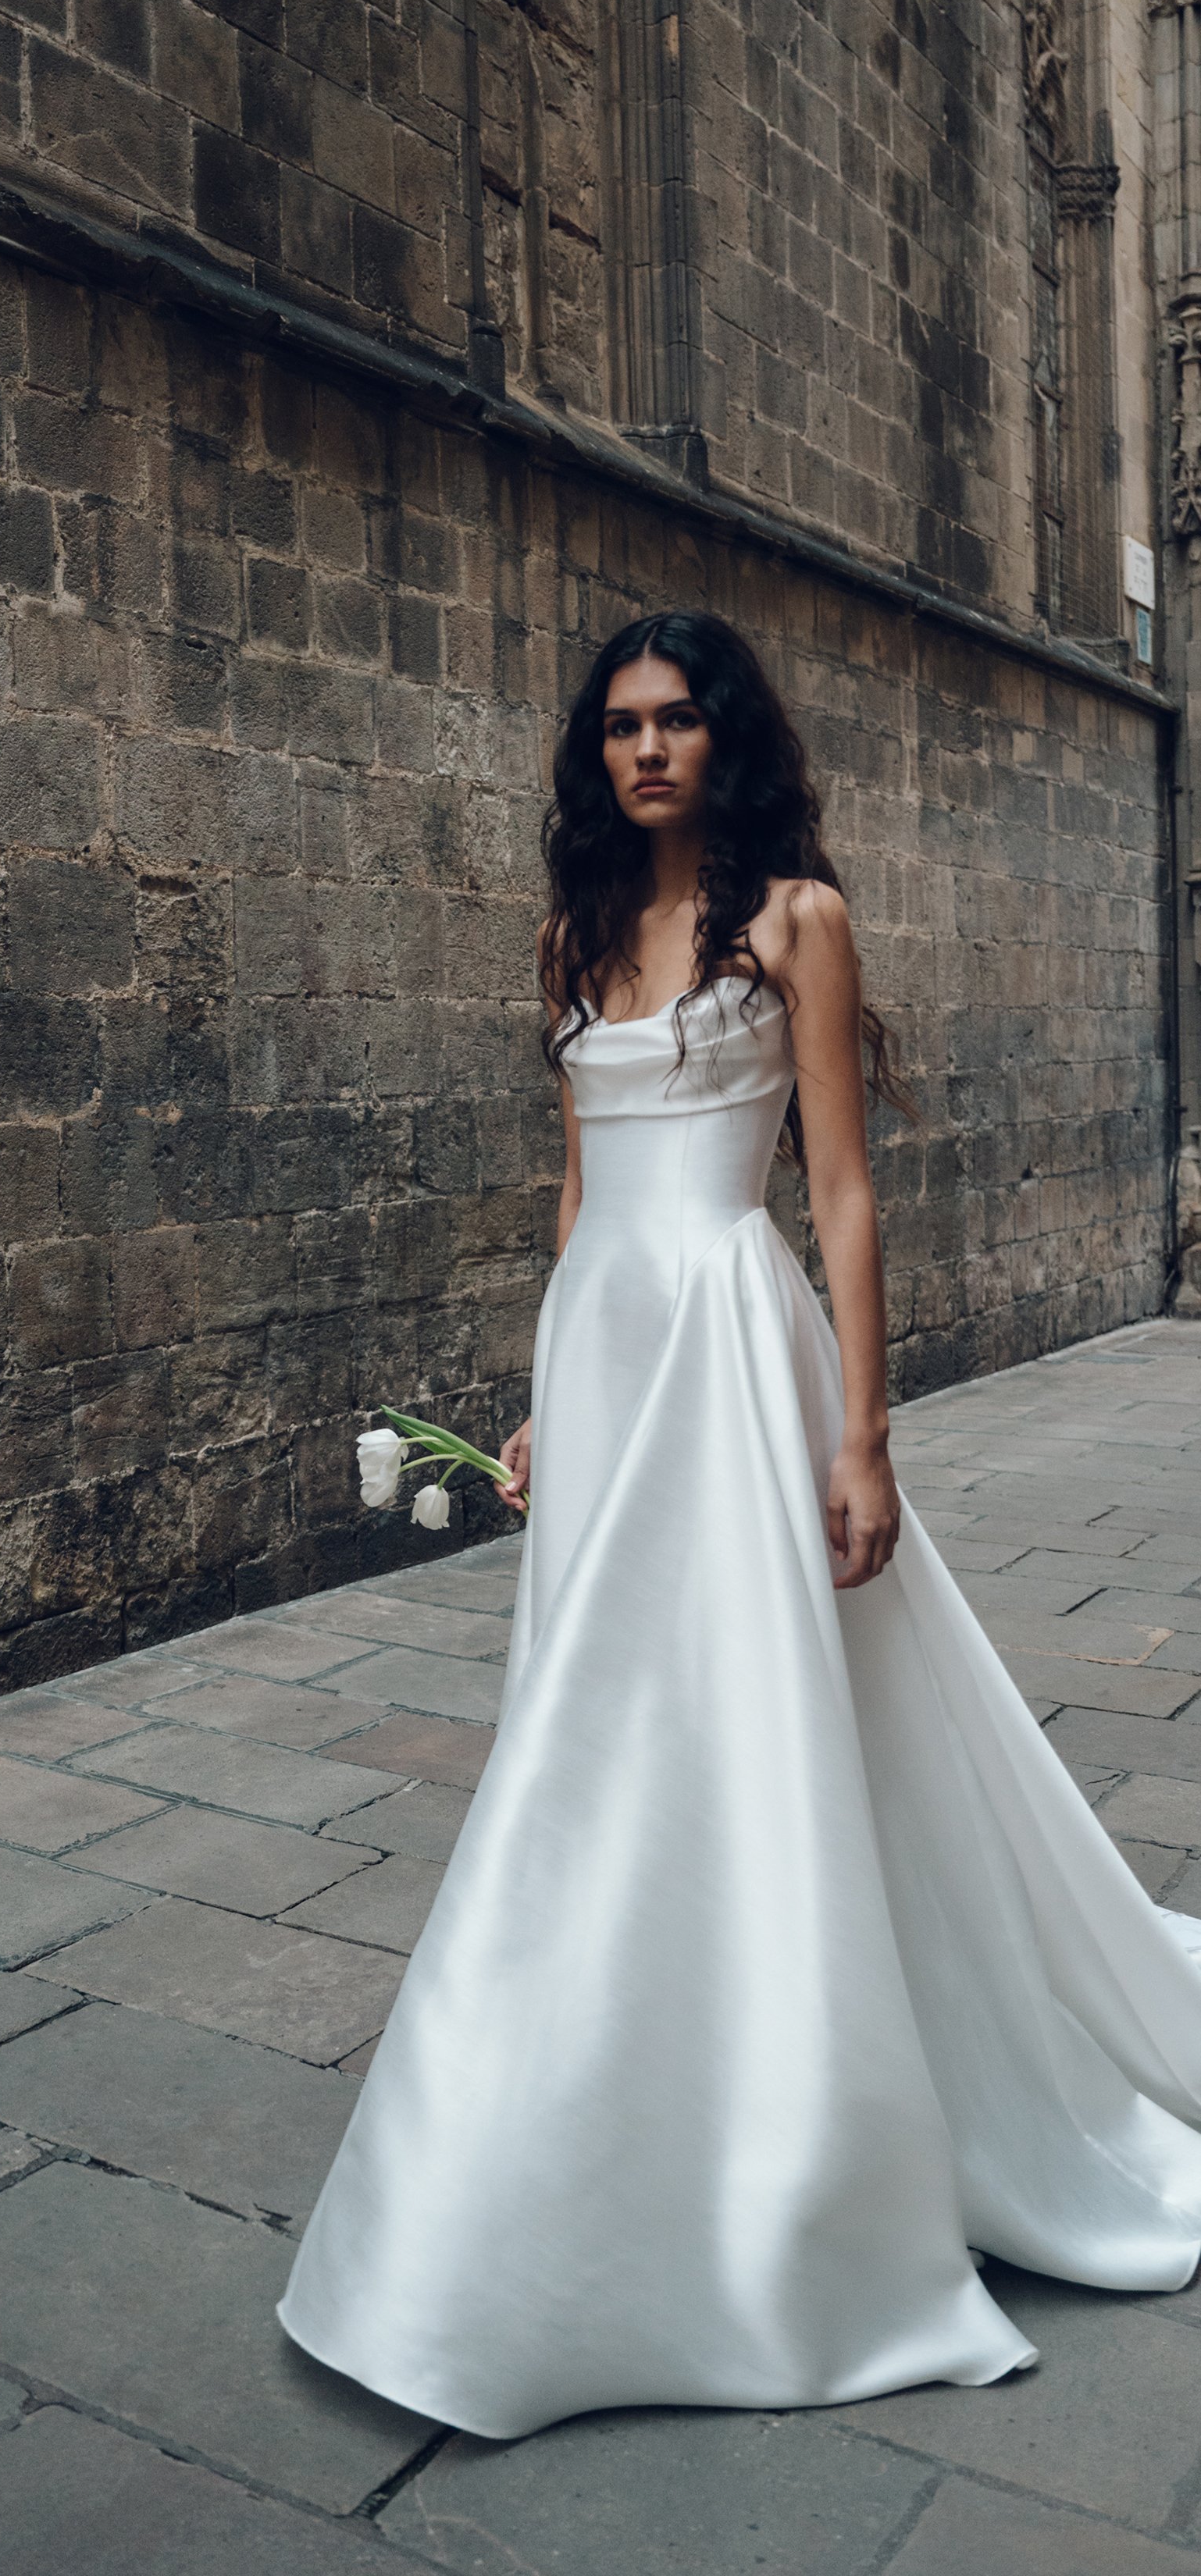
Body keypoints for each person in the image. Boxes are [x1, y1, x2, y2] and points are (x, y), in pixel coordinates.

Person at [277, 610, 1201, 2437]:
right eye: (619, 723)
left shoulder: (794, 924)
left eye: (678, 718)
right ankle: (587, 2105)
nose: (646, 748)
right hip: (614, 1356)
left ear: (728, 736)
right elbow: (575, 1193)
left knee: (767, 1711)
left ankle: (794, 2132)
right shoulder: (573, 932)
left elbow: (841, 1193)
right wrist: (547, 1393)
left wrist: (862, 1434)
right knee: (594, 1725)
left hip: (735, 1345)